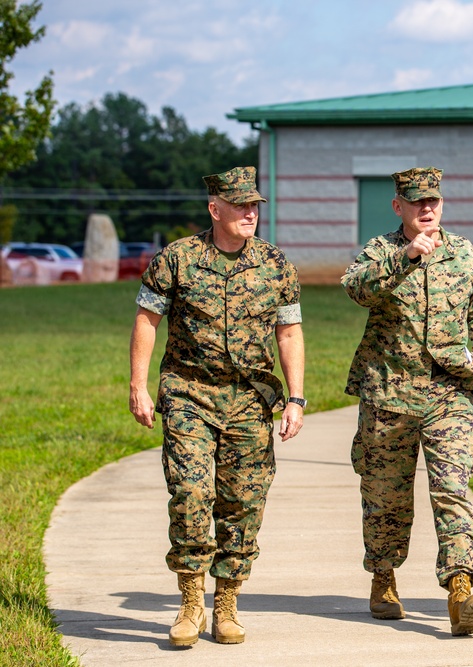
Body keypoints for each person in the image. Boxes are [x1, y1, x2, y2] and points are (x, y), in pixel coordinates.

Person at [128, 166, 306, 647]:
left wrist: (295, 398)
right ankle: (190, 603)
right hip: (189, 393)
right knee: (189, 494)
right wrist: (138, 385)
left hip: (250, 402)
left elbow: (288, 332)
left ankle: (226, 603)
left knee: (243, 504)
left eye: (255, 205)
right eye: (241, 204)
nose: (251, 212)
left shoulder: (275, 264)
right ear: (215, 208)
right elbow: (147, 319)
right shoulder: (178, 259)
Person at [342, 166, 473, 636]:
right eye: (417, 203)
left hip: (448, 395)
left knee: (452, 488)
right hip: (388, 394)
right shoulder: (381, 250)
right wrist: (406, 258)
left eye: (433, 202)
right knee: (385, 496)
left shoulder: (462, 253)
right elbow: (355, 289)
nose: (427, 210)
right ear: (399, 207)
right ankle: (383, 575)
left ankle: (460, 588)